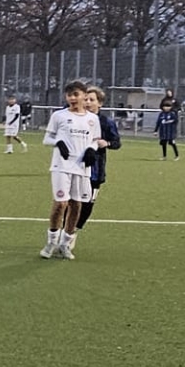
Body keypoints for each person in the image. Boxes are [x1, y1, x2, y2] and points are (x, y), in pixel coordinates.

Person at [39, 80, 99, 260]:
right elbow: (46, 139)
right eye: (69, 95)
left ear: (84, 96)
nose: (72, 98)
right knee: (60, 204)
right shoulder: (59, 116)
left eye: (76, 95)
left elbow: (95, 140)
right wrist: (58, 142)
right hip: (61, 166)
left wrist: (92, 149)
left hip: (81, 167)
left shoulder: (92, 119)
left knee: (76, 204)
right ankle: (51, 242)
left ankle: (65, 244)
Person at [67, 84, 121, 256]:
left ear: (100, 103)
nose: (88, 102)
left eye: (92, 100)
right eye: (86, 99)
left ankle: (74, 230)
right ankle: (64, 232)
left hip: (96, 170)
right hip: (75, 167)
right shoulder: (76, 119)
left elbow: (117, 143)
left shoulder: (106, 122)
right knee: (70, 201)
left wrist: (107, 143)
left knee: (88, 203)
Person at [156, 90, 180, 159]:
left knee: (171, 142)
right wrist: (156, 130)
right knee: (163, 142)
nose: (166, 108)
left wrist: (168, 121)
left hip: (170, 131)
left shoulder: (172, 113)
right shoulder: (162, 113)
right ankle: (164, 156)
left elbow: (175, 120)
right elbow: (158, 122)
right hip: (164, 131)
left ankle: (177, 155)